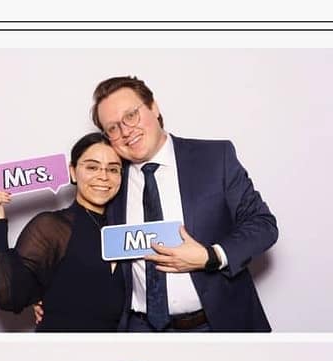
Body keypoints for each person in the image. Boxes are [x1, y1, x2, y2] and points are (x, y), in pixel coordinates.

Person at [92, 76, 278, 332]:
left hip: (217, 324)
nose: (125, 131)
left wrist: (210, 256)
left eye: (131, 115)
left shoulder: (215, 158)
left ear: (154, 108)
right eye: (112, 128)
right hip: (138, 328)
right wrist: (51, 293)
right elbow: (78, 237)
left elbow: (263, 225)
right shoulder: (108, 179)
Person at [0, 132, 126, 331]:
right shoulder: (53, 227)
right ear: (73, 172)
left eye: (113, 169)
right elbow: (7, 295)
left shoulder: (133, 228)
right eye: (92, 167)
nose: (103, 176)